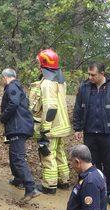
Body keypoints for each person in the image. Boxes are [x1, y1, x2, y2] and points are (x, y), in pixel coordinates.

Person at [73, 62, 110, 206]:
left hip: (107, 133)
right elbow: (78, 109)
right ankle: (93, 190)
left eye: (93, 75)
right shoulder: (84, 87)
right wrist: (77, 128)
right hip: (89, 132)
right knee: (92, 164)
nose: (90, 77)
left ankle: (108, 192)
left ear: (102, 73)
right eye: (89, 74)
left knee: (108, 165)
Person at [33, 49, 72, 195]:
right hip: (62, 125)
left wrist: (44, 129)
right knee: (59, 153)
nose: (38, 65)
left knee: (47, 153)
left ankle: (49, 186)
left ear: (43, 63)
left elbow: (50, 108)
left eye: (39, 62)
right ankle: (64, 181)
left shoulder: (47, 83)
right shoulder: (60, 81)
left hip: (52, 127)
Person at [0, 68, 41, 202]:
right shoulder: (17, 87)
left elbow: (14, 103)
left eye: (2, 78)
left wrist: (3, 117)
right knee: (14, 155)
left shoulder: (12, 87)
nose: (1, 81)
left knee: (18, 158)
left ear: (5, 77)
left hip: (18, 127)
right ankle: (18, 180)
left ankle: (31, 188)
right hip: (18, 127)